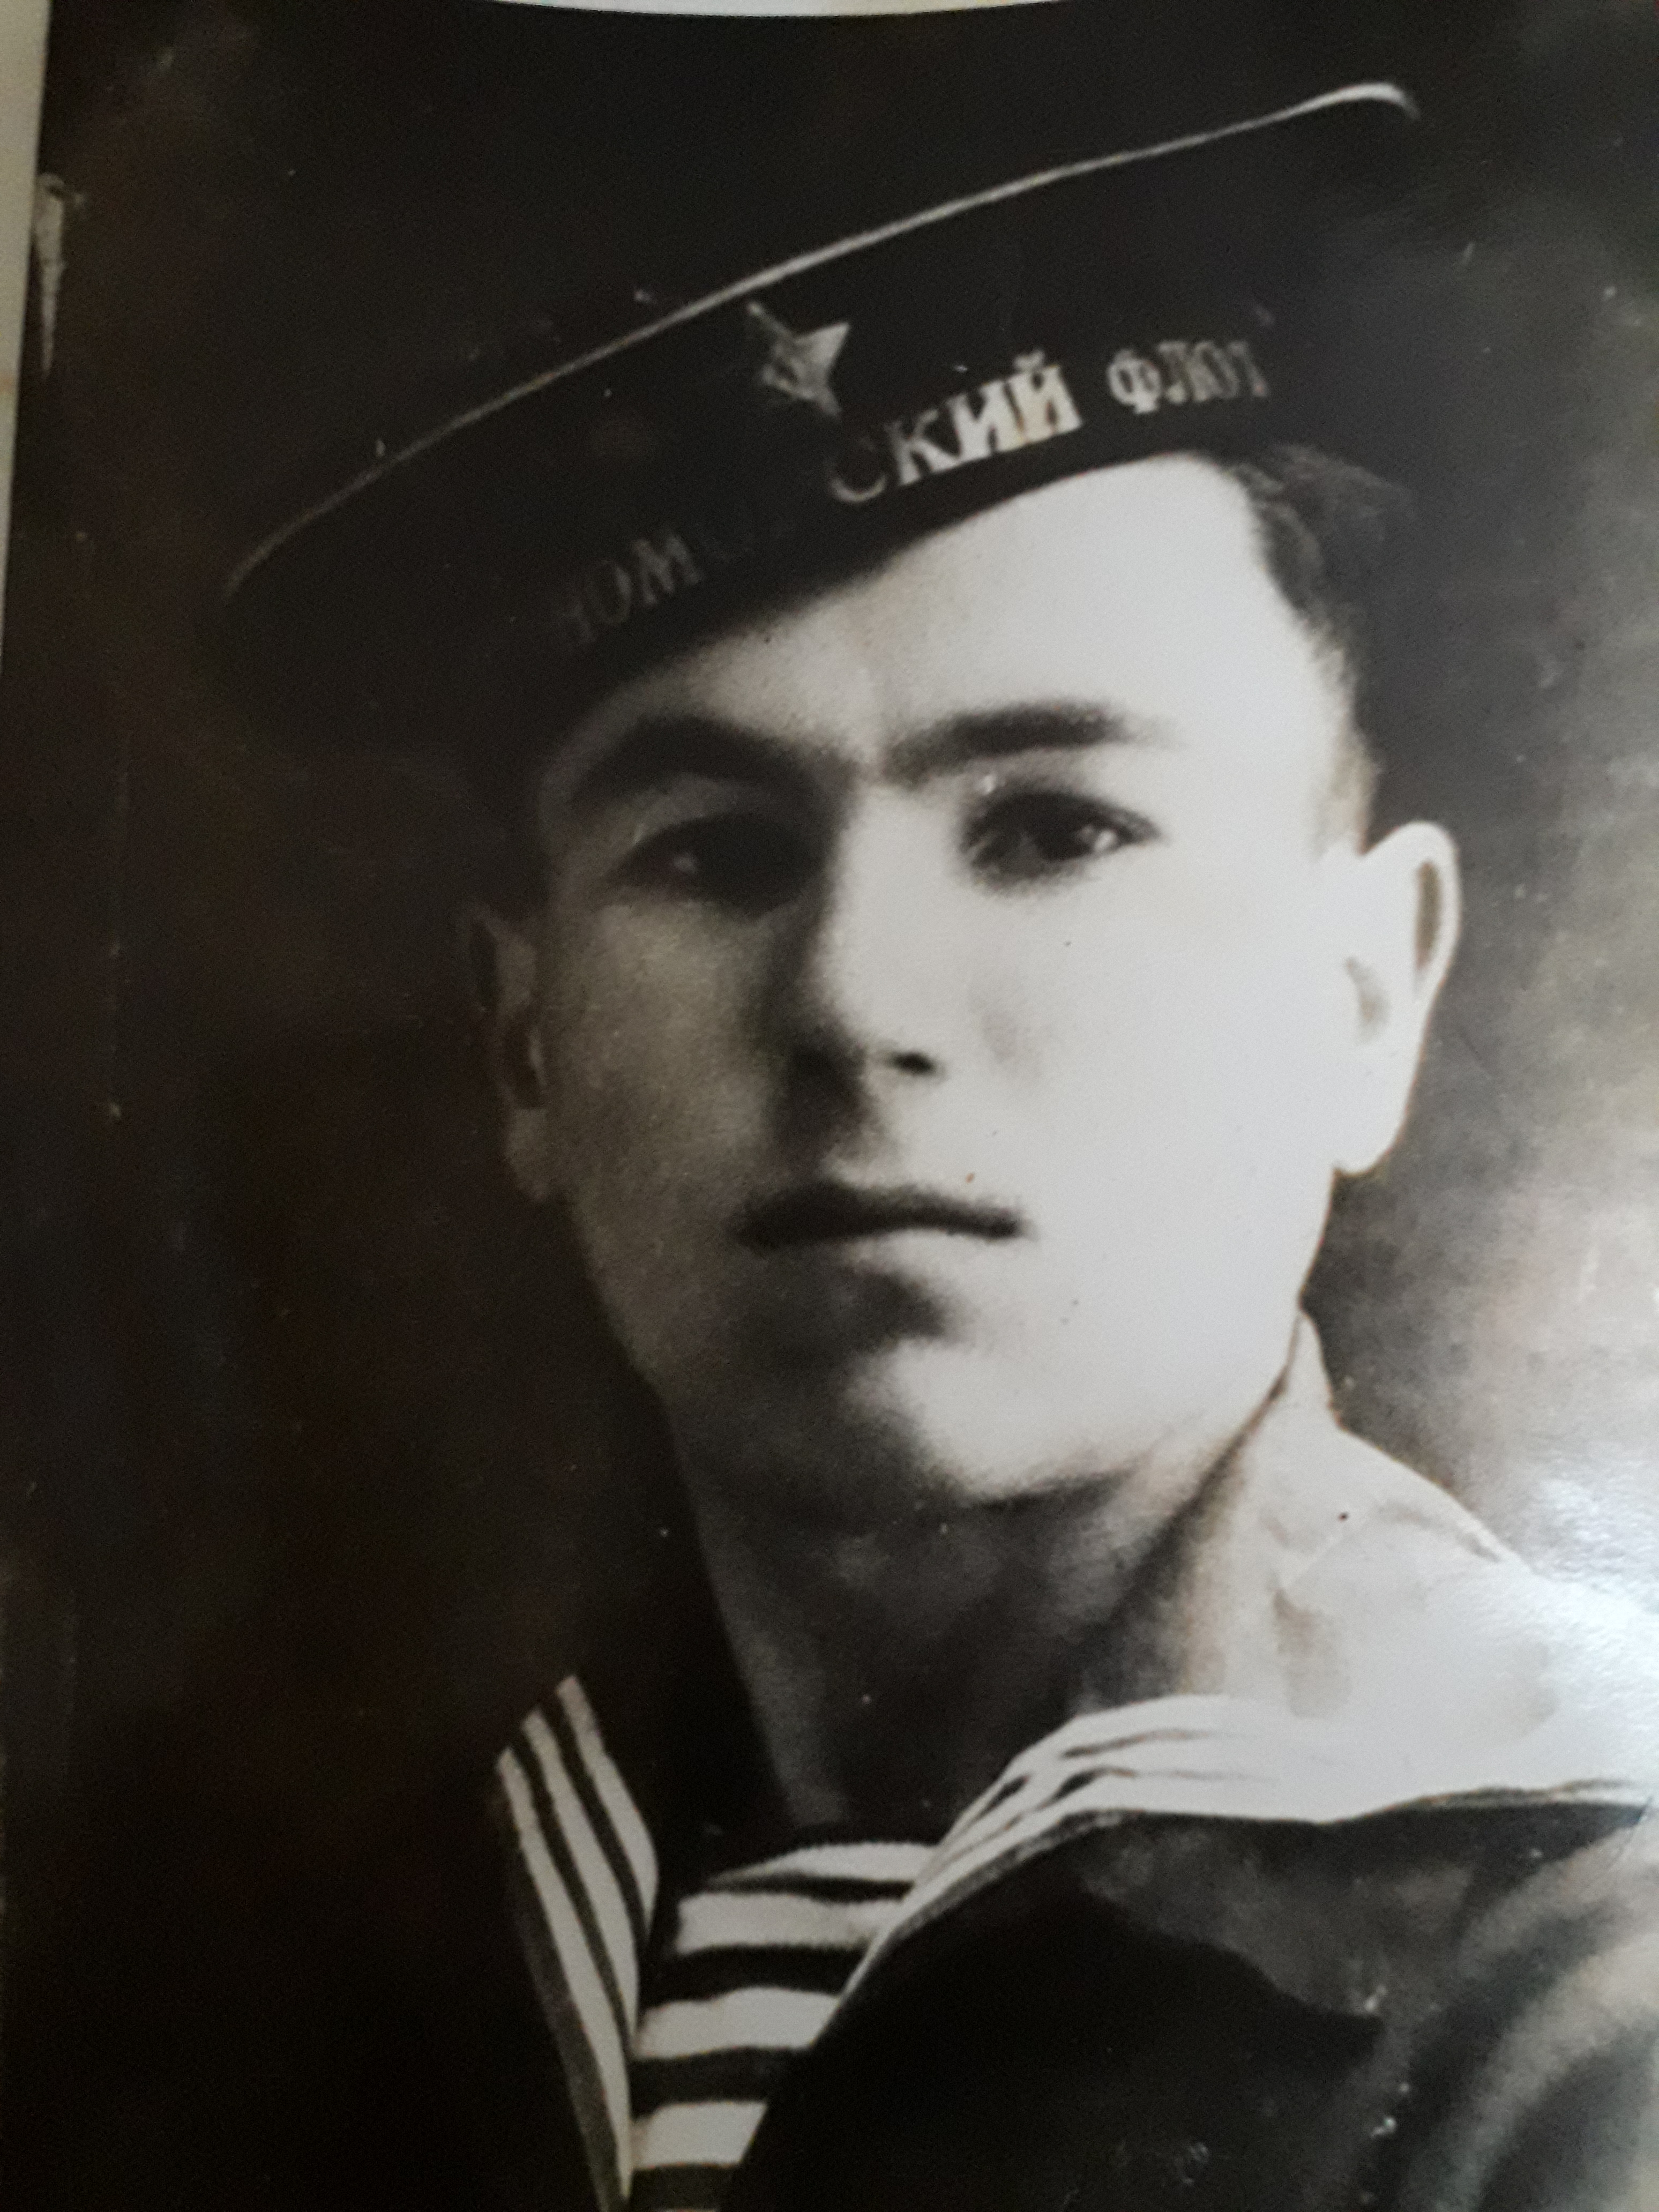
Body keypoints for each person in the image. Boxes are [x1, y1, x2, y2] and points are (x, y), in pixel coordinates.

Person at [222, 80, 1659, 2212]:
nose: (853, 1004)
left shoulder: (1586, 1979)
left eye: (1058, 828)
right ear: (520, 1045)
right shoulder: (307, 1966)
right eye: (714, 850)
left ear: (1367, 994)